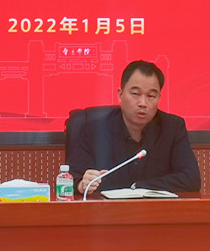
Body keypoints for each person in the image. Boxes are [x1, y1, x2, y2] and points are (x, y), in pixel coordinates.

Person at [68, 60, 201, 196]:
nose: (143, 103)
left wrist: (137, 187)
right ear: (120, 95)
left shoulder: (172, 128)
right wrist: (81, 185)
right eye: (135, 94)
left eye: (151, 96)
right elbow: (70, 179)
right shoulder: (94, 130)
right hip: (105, 209)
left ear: (159, 98)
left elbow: (191, 179)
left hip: (156, 208)